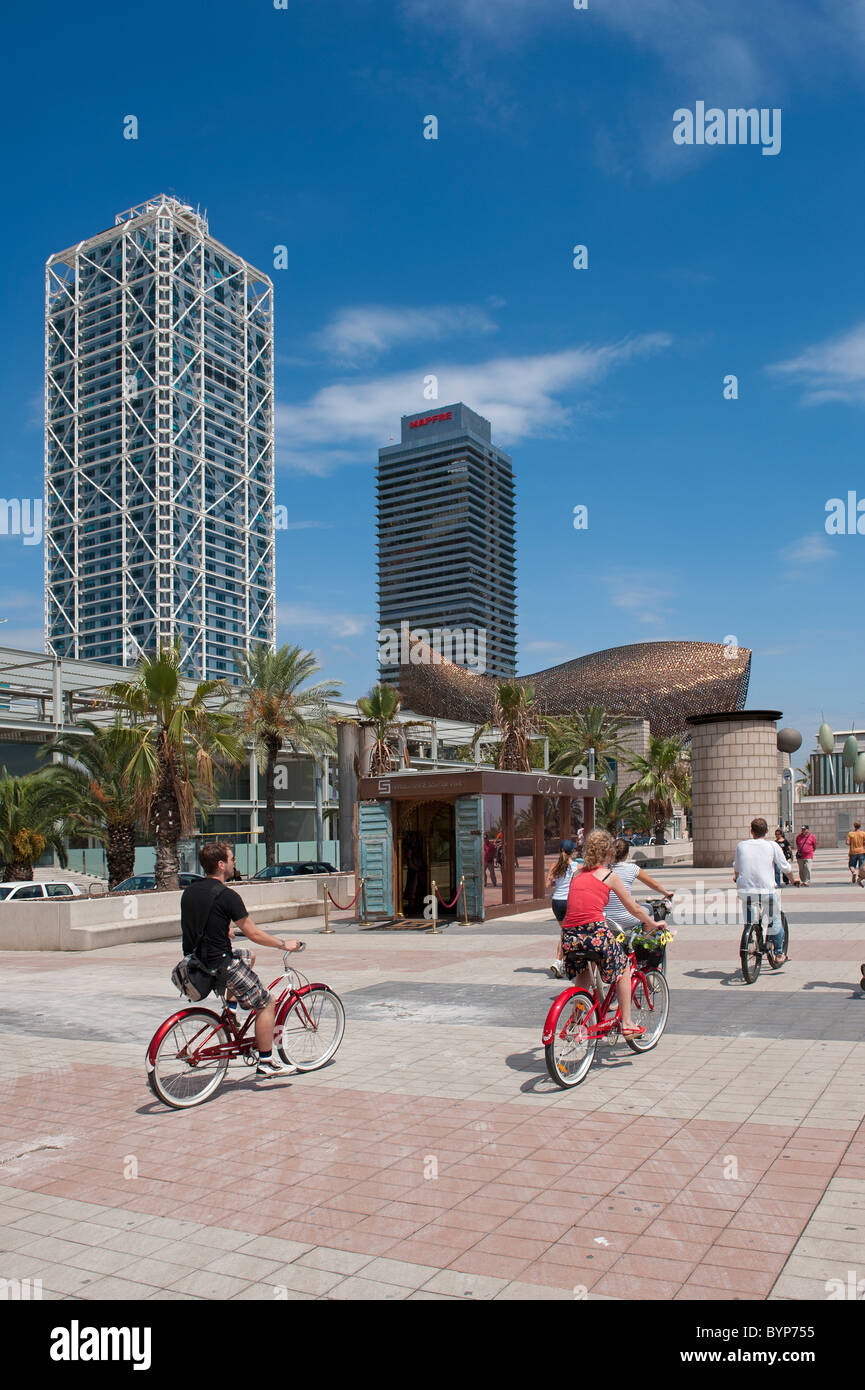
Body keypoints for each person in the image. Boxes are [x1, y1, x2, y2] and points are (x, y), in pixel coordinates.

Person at [181, 842, 302, 1078]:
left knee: (249, 956)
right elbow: (253, 933)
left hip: (197, 960)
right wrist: (283, 944)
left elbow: (199, 918)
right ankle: (266, 1062)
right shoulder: (228, 896)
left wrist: (223, 925)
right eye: (232, 858)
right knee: (267, 1003)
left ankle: (232, 1011)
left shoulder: (190, 890)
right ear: (221, 865)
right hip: (221, 963)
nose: (234, 862)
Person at [559, 828, 657, 1037]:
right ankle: (628, 1023)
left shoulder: (577, 873)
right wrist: (653, 923)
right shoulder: (609, 876)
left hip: (569, 936)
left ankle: (578, 1016)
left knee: (584, 971)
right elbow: (635, 909)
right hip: (595, 934)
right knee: (622, 969)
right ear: (608, 852)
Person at [733, 818, 789, 963]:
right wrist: (794, 879)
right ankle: (778, 953)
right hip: (766, 890)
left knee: (750, 920)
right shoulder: (772, 846)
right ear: (767, 831)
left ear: (751, 831)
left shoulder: (741, 846)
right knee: (774, 918)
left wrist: (736, 877)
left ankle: (751, 939)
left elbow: (737, 868)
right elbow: (785, 867)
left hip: (745, 890)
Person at [605, 837, 674, 936]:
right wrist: (666, 893)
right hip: (627, 918)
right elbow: (653, 885)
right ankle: (645, 940)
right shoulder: (632, 868)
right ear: (627, 854)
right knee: (649, 909)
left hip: (606, 919)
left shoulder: (602, 869)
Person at [546, 838, 580, 978]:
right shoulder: (577, 867)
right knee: (567, 933)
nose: (577, 852)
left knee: (565, 931)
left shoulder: (554, 865)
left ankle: (564, 963)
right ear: (571, 852)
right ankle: (558, 961)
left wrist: (557, 883)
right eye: (575, 850)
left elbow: (547, 885)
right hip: (569, 901)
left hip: (556, 902)